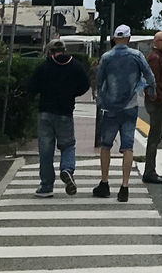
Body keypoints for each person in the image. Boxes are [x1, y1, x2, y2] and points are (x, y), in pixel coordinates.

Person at [94, 24, 155, 203]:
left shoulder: (106, 57)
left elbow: (99, 80)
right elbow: (149, 75)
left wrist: (101, 98)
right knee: (127, 147)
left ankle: (104, 183)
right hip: (130, 106)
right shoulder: (136, 56)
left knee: (106, 146)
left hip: (111, 107)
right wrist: (150, 90)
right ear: (129, 38)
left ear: (114, 38)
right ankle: (124, 186)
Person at [27, 39, 90, 197]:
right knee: (68, 145)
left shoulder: (44, 67)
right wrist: (72, 93)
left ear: (50, 52)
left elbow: (31, 87)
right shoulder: (75, 65)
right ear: (64, 50)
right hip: (65, 112)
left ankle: (46, 186)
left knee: (46, 150)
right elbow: (85, 85)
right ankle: (67, 169)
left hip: (45, 112)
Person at [142, 30, 162, 184]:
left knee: (155, 137)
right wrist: (161, 101)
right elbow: (152, 82)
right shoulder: (155, 59)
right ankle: (149, 171)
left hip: (157, 102)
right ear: (157, 42)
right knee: (154, 138)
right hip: (157, 104)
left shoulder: (158, 57)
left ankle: (150, 170)